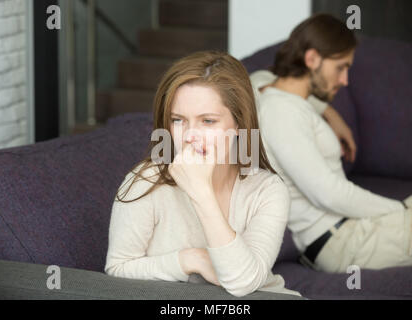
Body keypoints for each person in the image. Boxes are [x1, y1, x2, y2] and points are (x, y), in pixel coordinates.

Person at [104, 51, 301, 297]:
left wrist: (201, 193)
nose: (189, 136)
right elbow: (117, 268)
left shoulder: (268, 190)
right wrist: (191, 259)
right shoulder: (145, 182)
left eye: (207, 121)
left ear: (239, 125)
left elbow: (243, 282)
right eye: (178, 120)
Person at [251, 13, 412, 273]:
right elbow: (328, 194)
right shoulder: (281, 112)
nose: (345, 80)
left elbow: (260, 78)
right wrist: (399, 210)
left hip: (349, 229)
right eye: (340, 67)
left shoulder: (277, 95)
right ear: (311, 59)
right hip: (343, 242)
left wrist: (328, 112)